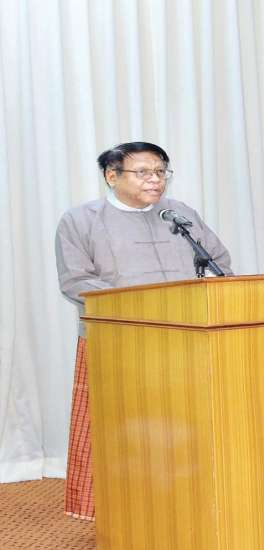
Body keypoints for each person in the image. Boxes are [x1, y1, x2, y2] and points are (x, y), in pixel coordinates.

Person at [54, 142, 232, 520]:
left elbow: (219, 262)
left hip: (187, 336)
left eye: (161, 172)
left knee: (187, 423)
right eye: (144, 172)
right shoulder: (81, 220)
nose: (155, 180)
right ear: (112, 176)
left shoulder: (180, 214)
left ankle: (191, 498)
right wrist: (138, 307)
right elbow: (76, 280)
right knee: (126, 429)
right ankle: (120, 508)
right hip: (119, 340)